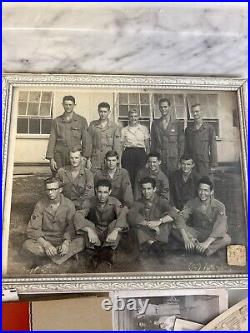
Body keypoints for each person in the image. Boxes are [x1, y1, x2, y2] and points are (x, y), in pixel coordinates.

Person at [22, 178, 84, 268]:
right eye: (48, 190)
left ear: (60, 190)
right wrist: (46, 245)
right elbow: (33, 229)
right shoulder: (40, 204)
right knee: (27, 244)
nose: (50, 193)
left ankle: (50, 259)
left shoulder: (69, 204)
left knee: (81, 241)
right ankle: (60, 258)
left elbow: (71, 227)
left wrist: (66, 243)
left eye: (53, 189)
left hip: (62, 240)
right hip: (45, 240)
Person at [128, 177, 188, 261]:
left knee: (166, 225)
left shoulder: (161, 201)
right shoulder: (138, 202)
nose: (146, 192)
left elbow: (174, 213)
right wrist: (147, 223)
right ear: (141, 190)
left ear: (154, 189)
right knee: (137, 227)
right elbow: (131, 215)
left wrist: (159, 222)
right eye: (144, 189)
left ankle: (152, 247)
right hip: (146, 231)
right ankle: (153, 246)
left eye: (149, 189)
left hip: (159, 232)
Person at [74, 179, 128, 268]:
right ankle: (93, 254)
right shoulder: (89, 202)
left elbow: (123, 215)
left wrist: (116, 230)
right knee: (88, 225)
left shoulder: (115, 202)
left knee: (115, 224)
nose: (102, 196)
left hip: (109, 233)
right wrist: (89, 230)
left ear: (110, 192)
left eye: (105, 192)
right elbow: (78, 215)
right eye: (99, 192)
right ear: (95, 191)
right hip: (95, 232)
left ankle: (106, 256)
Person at [179, 176, 231, 256]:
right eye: (200, 190)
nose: (202, 193)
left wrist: (206, 243)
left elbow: (221, 226)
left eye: (206, 190)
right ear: (197, 190)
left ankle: (205, 250)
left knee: (226, 239)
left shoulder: (219, 206)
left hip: (211, 234)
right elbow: (180, 219)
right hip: (195, 233)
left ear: (211, 192)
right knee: (176, 229)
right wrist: (186, 238)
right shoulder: (192, 203)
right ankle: (194, 245)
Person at [46, 95, 92, 174]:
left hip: (75, 155)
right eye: (66, 104)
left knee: (75, 178)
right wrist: (51, 159)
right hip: (59, 156)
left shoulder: (81, 121)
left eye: (70, 105)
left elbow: (86, 141)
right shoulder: (56, 121)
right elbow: (52, 140)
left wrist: (85, 158)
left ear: (74, 105)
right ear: (63, 105)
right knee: (59, 177)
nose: (68, 107)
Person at [151, 98, 184, 176]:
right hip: (160, 158)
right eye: (161, 107)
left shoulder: (177, 123)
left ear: (170, 107)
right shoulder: (155, 124)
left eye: (165, 107)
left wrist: (180, 161)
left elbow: (181, 144)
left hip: (173, 159)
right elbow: (153, 144)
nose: (163, 109)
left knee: (173, 180)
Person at [184, 103, 217, 176]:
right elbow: (186, 148)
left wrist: (213, 164)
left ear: (202, 112)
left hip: (204, 162)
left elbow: (213, 147)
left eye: (197, 111)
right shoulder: (188, 129)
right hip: (191, 163)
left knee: (204, 183)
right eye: (193, 112)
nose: (195, 114)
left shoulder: (209, 128)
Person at [121, 108, 150, 189]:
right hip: (128, 153)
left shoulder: (144, 129)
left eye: (135, 116)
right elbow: (121, 146)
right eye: (131, 116)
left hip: (140, 153)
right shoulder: (124, 130)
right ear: (128, 117)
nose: (133, 118)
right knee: (129, 176)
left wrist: (148, 160)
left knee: (140, 175)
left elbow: (147, 146)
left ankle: (139, 198)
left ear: (138, 117)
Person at [88, 102, 121, 172]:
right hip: (95, 159)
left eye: (105, 112)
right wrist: (88, 159)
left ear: (109, 112)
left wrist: (117, 162)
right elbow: (88, 143)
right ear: (98, 111)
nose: (103, 114)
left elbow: (117, 146)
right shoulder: (93, 125)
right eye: (101, 111)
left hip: (109, 159)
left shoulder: (114, 126)